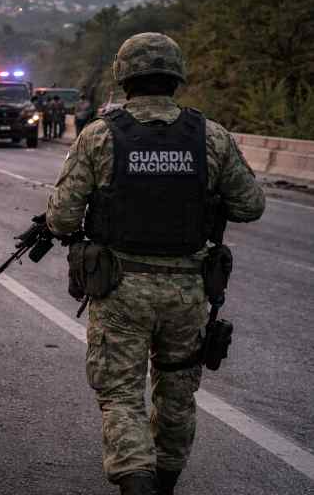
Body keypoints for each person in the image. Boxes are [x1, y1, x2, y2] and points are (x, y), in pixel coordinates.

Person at [46, 33, 265, 494]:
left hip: (120, 289)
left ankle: (136, 479)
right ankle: (164, 479)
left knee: (121, 393)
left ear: (124, 76)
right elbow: (250, 205)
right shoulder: (210, 136)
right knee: (178, 392)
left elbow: (62, 216)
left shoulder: (100, 135)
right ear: (175, 76)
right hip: (189, 291)